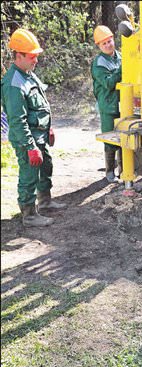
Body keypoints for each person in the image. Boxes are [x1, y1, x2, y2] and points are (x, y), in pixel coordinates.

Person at [1, 28, 66, 227]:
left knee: (45, 166)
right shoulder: (14, 84)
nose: (36, 60)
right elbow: (17, 121)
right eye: (32, 57)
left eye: (36, 56)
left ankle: (45, 201)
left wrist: (49, 128)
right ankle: (29, 214)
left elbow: (41, 104)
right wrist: (30, 147)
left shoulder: (28, 74)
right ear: (18, 56)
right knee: (29, 175)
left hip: (40, 135)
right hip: (27, 139)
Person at [91, 25, 122, 183]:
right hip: (108, 106)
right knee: (110, 138)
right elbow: (109, 83)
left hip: (123, 104)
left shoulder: (120, 56)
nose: (108, 45)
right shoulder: (99, 64)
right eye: (104, 43)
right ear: (99, 46)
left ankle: (124, 170)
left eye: (109, 41)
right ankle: (110, 171)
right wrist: (121, 70)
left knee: (124, 137)